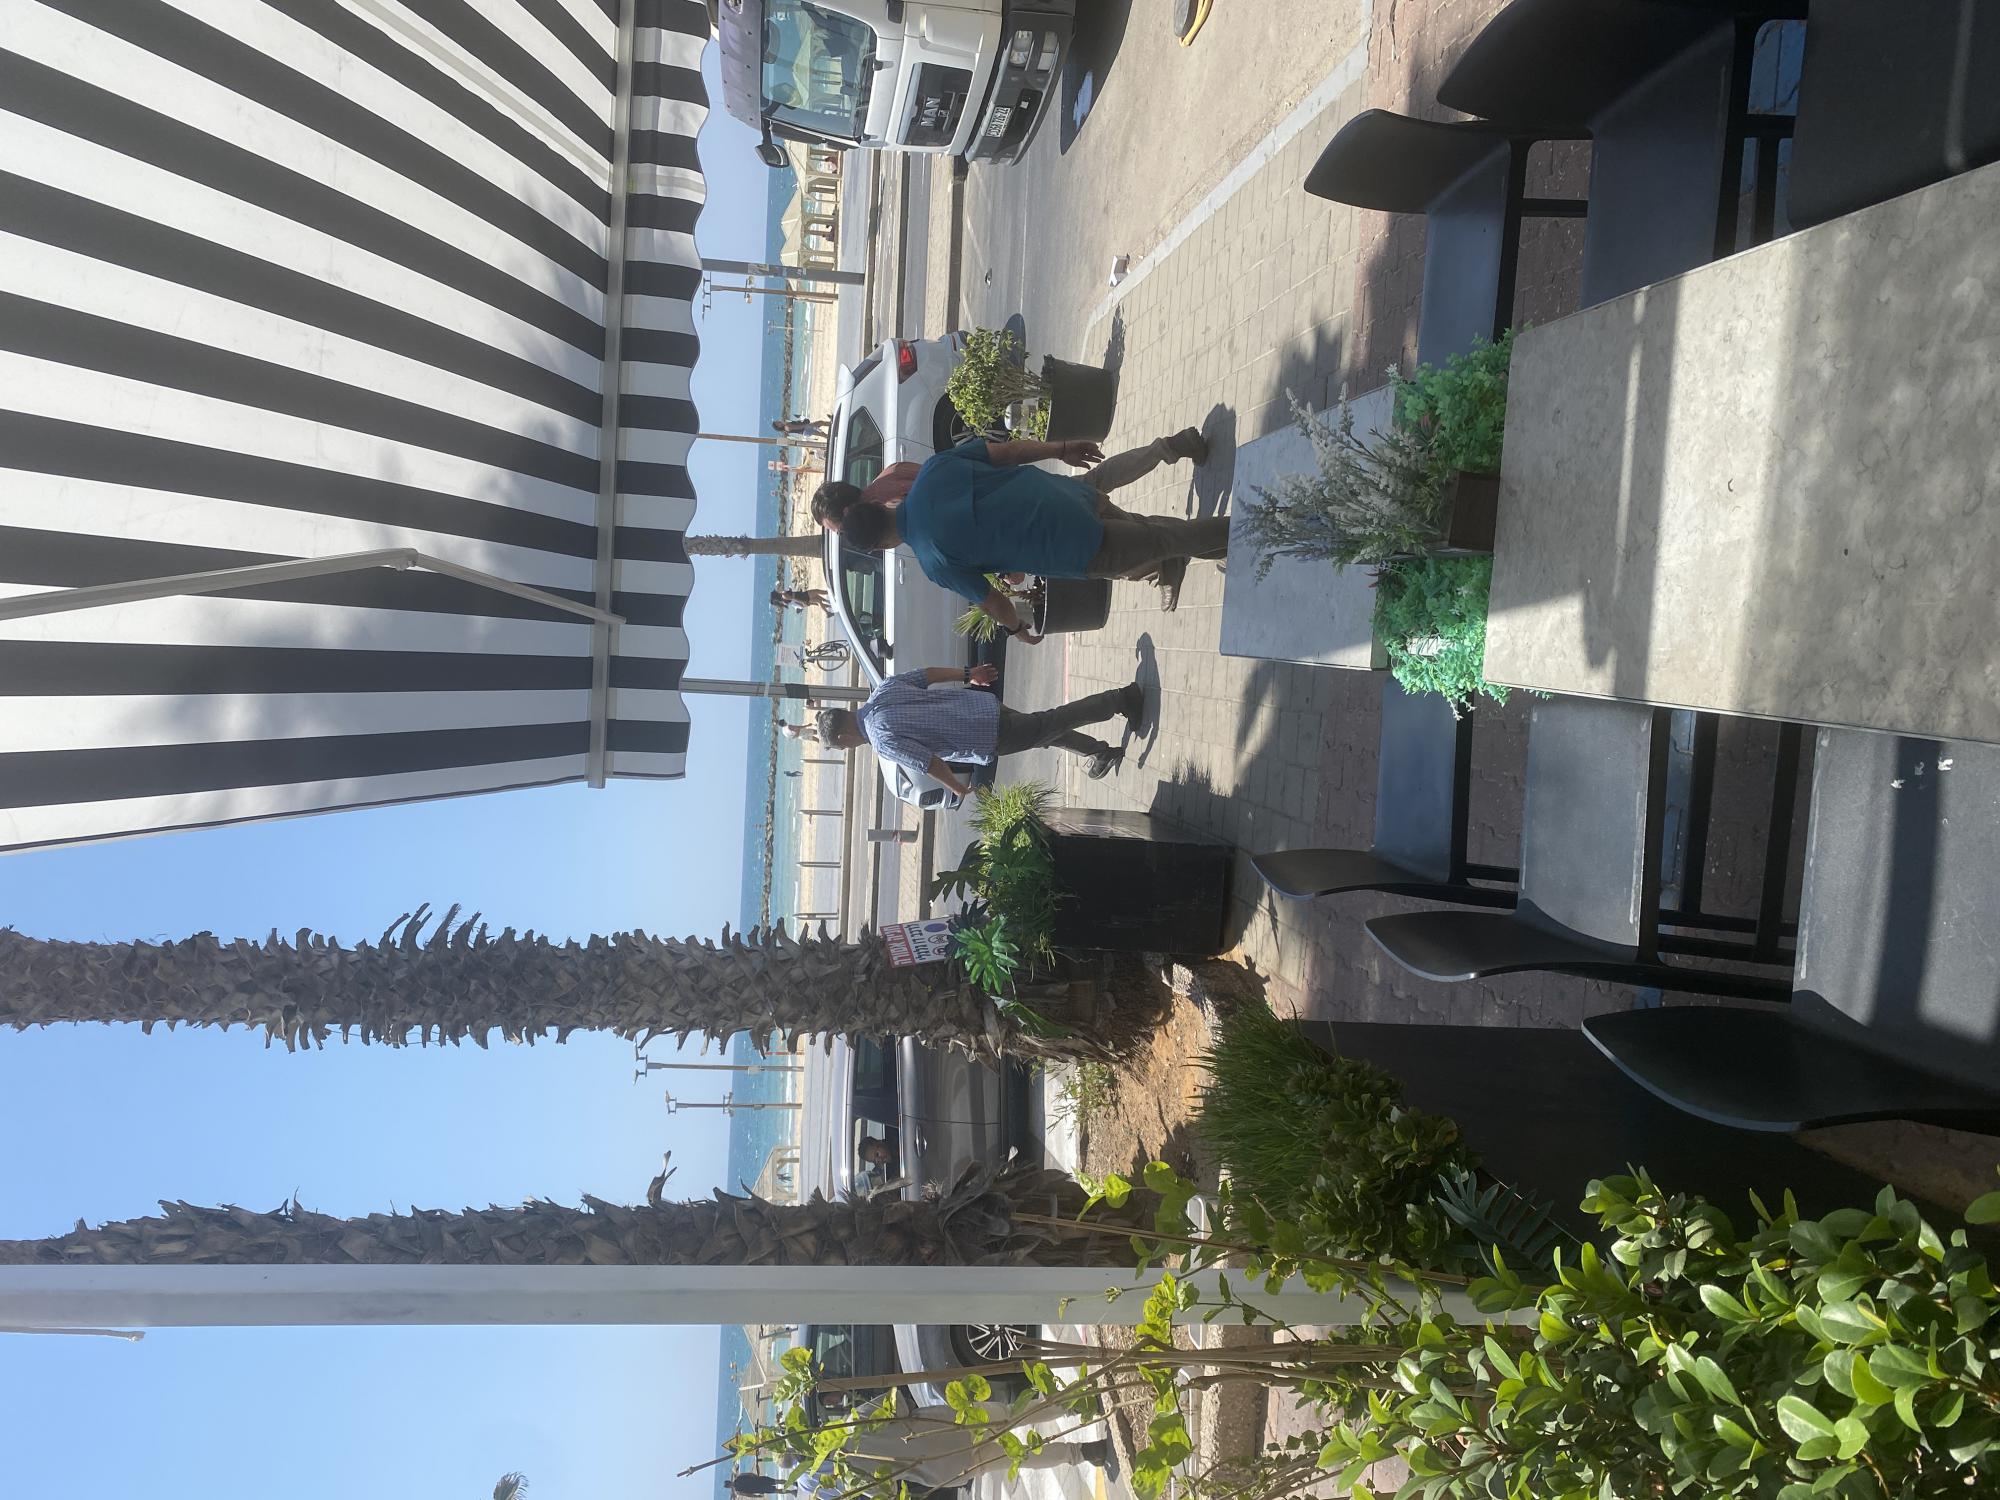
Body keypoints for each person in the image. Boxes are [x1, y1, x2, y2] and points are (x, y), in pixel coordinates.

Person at [811, 428, 1225, 625]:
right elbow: (1003, 454)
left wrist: (1016, 629)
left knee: (1161, 540)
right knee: (1150, 535)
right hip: (1055, 496)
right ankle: (1186, 546)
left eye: (839, 529)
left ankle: (1246, 536)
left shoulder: (933, 561)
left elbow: (993, 601)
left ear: (876, 545)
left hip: (1068, 545)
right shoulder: (928, 471)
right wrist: (1061, 446)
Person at [815, 663, 1144, 786]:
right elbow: (926, 675)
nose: (847, 748)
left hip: (985, 736)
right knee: (1044, 731)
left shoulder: (882, 741)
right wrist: (967, 674)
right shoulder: (881, 692)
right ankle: (1098, 751)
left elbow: (930, 763)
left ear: (843, 737)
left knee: (1051, 722)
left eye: (842, 746)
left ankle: (1119, 699)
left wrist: (957, 787)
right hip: (982, 707)